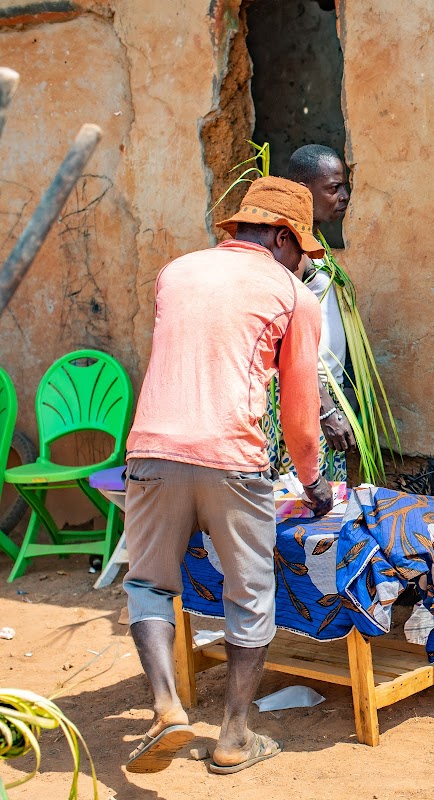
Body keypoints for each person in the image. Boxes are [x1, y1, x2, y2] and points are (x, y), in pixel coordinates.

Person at [122, 176, 333, 774]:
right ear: (282, 237)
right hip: (234, 458)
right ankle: (233, 737)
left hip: (153, 452)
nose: (301, 264)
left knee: (149, 584)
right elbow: (300, 411)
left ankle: (167, 706)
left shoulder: (176, 272)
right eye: (301, 251)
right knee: (249, 595)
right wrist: (312, 481)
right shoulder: (294, 295)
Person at [260, 144, 355, 484]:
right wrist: (325, 408)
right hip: (309, 394)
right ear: (303, 191)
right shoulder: (293, 253)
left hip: (324, 388)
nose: (343, 196)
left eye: (344, 186)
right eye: (333, 188)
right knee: (304, 498)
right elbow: (289, 340)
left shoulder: (312, 246)